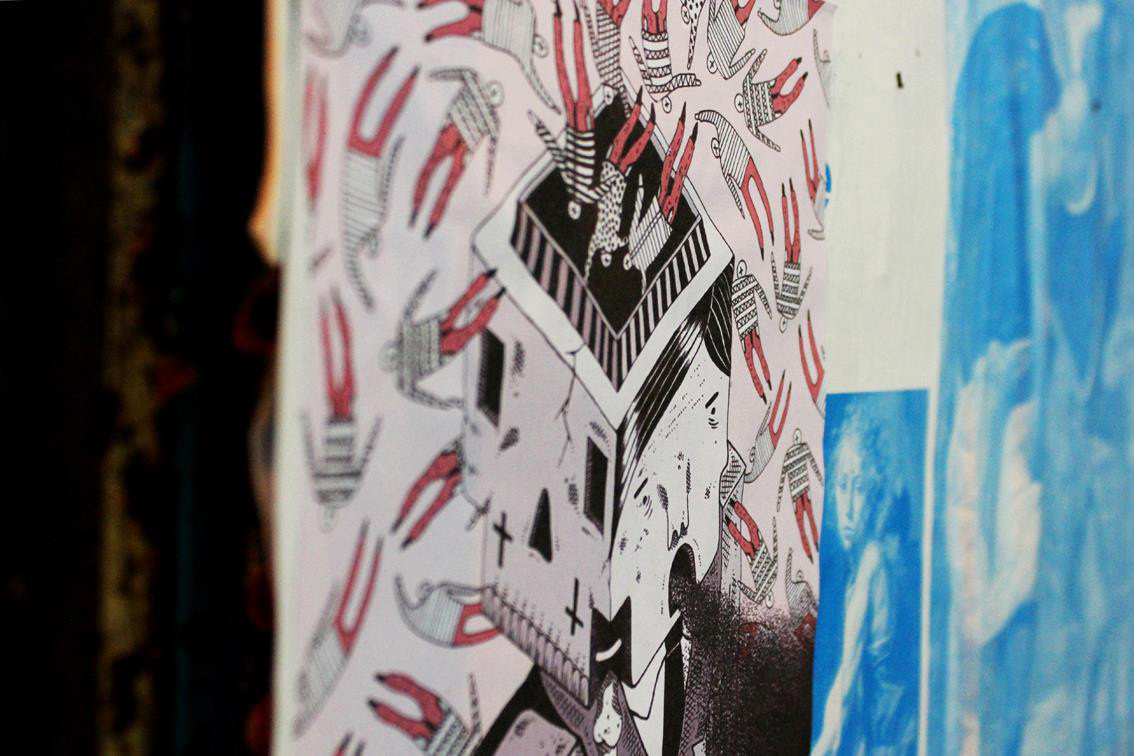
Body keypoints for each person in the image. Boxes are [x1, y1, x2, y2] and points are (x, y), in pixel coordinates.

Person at [813, 402, 917, 753]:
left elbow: (845, 693)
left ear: (872, 495)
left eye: (859, 488)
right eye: (843, 486)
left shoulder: (873, 561)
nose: (849, 507)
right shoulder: (857, 569)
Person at [381, 270, 502, 409]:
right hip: (442, 348)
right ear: (393, 366)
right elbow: (421, 397)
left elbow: (411, 306)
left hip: (438, 328)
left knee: (464, 308)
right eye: (393, 357)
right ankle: (493, 296)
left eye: (393, 350)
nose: (398, 353)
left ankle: (488, 284)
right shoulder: (404, 380)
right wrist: (443, 403)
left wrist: (424, 285)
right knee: (472, 325)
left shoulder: (403, 332)